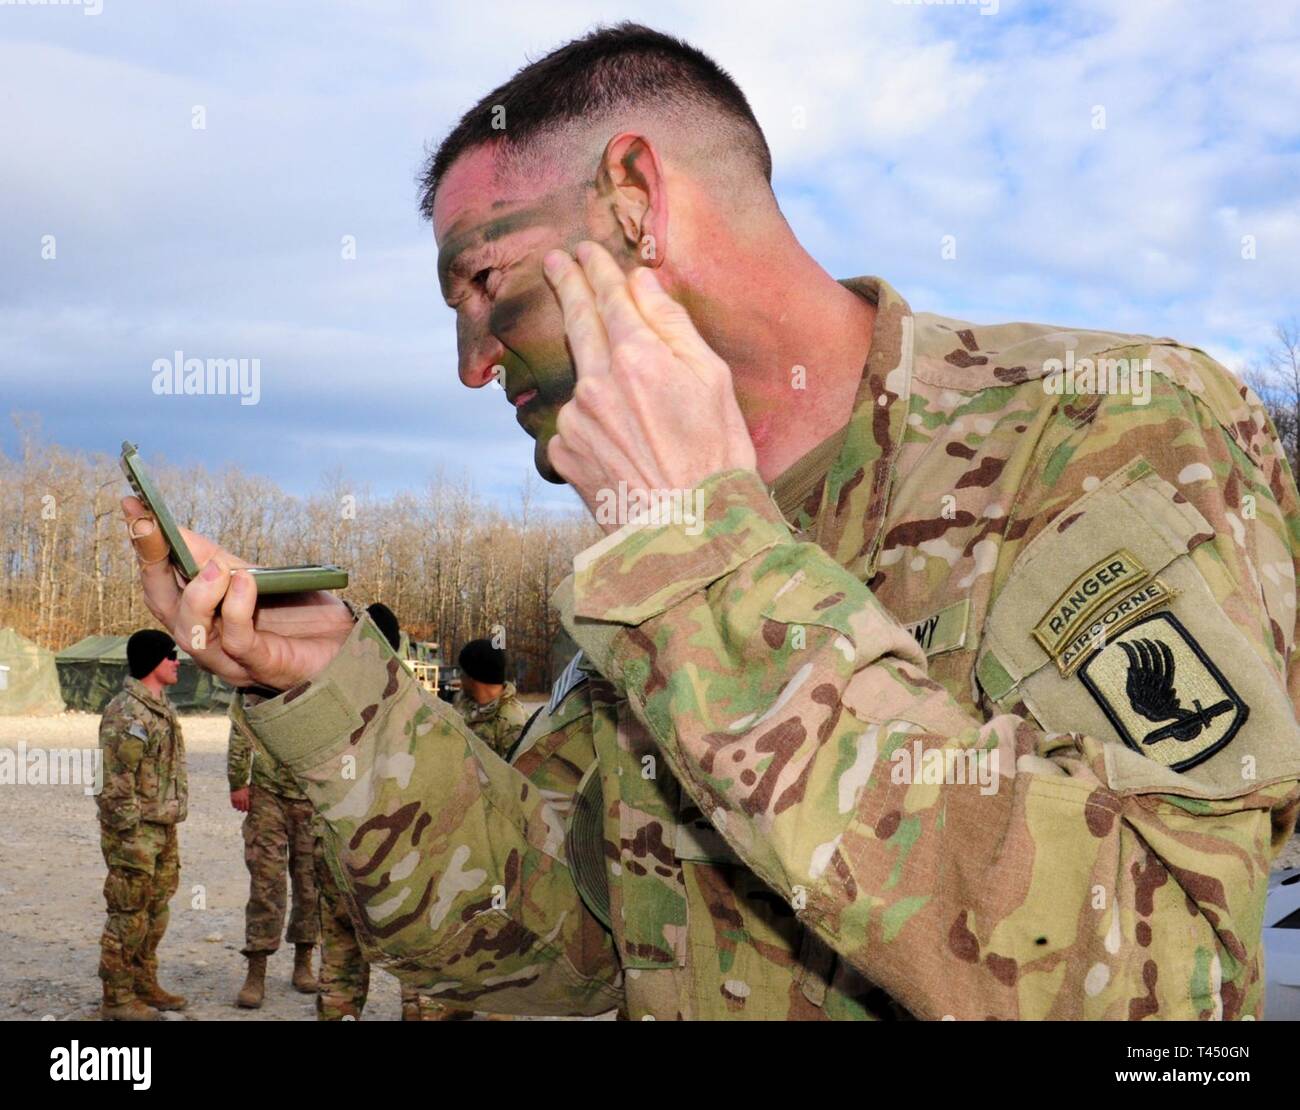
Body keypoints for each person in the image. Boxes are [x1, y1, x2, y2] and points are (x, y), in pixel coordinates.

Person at [124, 24, 1300, 1020]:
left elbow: (1173, 985)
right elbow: (547, 950)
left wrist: (699, 562)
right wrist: (334, 694)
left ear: (635, 204)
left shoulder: (1104, 431)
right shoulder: (645, 553)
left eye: (486, 284)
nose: (473, 366)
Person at [95, 629, 188, 1021]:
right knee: (128, 913)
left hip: (161, 827)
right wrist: (129, 834)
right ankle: (116, 1000)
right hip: (135, 833)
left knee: (155, 910)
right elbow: (113, 781)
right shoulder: (126, 713)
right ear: (153, 662)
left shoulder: (158, 706)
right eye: (170, 656)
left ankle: (142, 981)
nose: (177, 661)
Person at [227, 708, 318, 1008]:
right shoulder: (260, 672)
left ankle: (303, 961)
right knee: (266, 882)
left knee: (310, 883)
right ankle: (257, 971)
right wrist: (238, 780)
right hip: (267, 792)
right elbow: (242, 724)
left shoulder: (320, 675)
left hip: (311, 794)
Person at [452, 639, 529, 759]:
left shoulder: (512, 722)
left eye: (462, 671)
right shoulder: (462, 701)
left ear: (472, 677)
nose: (460, 676)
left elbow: (514, 774)